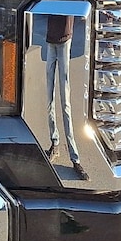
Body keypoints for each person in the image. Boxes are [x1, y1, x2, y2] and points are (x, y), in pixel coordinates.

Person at [45, 14, 88, 180]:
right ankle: (55, 143)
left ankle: (75, 158)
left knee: (65, 103)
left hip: (64, 39)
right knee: (49, 100)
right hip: (50, 41)